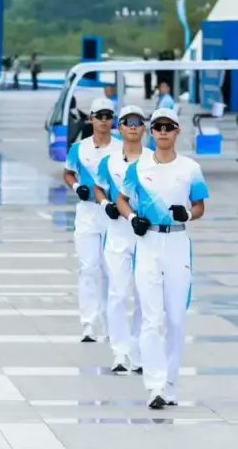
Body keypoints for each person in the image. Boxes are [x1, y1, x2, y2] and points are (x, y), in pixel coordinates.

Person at [117, 108, 208, 410]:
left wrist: (189, 214)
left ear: (178, 131)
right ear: (151, 131)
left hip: (178, 243)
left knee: (176, 318)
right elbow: (121, 198)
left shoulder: (190, 168)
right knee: (152, 317)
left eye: (169, 127)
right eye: (158, 127)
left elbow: (199, 206)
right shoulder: (138, 168)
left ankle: (170, 384)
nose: (163, 131)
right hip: (148, 242)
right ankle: (154, 385)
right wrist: (131, 219)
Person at [93, 105, 151, 373]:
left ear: (144, 127)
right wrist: (106, 205)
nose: (133, 126)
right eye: (127, 122)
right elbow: (98, 188)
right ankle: (119, 351)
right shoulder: (109, 161)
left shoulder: (154, 160)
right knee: (118, 293)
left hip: (146, 236)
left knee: (143, 294)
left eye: (138, 122)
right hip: (117, 233)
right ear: (120, 127)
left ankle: (138, 352)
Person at [64, 97, 120, 343]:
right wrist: (77, 187)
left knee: (110, 270)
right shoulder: (79, 148)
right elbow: (67, 172)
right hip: (87, 213)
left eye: (108, 116)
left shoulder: (121, 148)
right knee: (88, 268)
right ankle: (88, 324)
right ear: (92, 118)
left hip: (112, 214)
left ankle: (110, 325)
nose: (104, 121)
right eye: (100, 116)